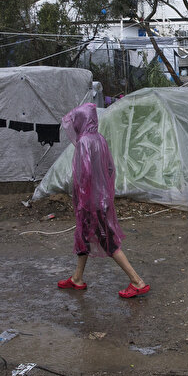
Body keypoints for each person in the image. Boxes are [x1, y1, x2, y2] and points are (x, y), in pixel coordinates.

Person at [58, 103, 150, 298]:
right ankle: (77, 278)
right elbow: (109, 169)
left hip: (90, 201)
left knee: (107, 240)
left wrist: (82, 197)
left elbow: (84, 174)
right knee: (83, 237)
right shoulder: (100, 139)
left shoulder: (84, 142)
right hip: (100, 198)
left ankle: (137, 281)